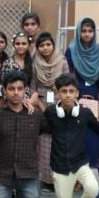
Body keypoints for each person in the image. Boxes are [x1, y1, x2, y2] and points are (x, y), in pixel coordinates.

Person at [44, 74, 99, 198]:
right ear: (58, 93)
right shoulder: (51, 112)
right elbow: (38, 129)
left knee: (93, 189)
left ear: (77, 93)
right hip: (60, 166)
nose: (68, 95)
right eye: (64, 91)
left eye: (71, 91)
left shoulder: (85, 113)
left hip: (80, 164)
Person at [0, 70, 48, 198]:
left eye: (20, 88)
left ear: (25, 90)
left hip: (28, 172)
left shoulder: (35, 115)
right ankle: (12, 197)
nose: (16, 92)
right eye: (11, 88)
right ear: (5, 90)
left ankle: (18, 195)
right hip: (2, 173)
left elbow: (46, 129)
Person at [33, 32, 69, 189]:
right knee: (43, 144)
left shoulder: (62, 62)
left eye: (48, 44)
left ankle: (59, 178)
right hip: (40, 106)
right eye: (42, 45)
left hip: (60, 105)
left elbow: (67, 86)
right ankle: (46, 180)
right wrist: (43, 109)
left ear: (53, 46)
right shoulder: (35, 63)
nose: (45, 48)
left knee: (59, 143)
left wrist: (59, 107)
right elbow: (33, 86)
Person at [65, 18, 99, 168]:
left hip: (94, 95)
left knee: (92, 131)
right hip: (76, 94)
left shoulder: (98, 50)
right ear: (78, 32)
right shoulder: (72, 50)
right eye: (84, 31)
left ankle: (92, 167)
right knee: (77, 131)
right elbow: (68, 76)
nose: (87, 34)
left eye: (90, 31)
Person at [0, 31, 35, 102]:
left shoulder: (33, 62)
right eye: (17, 44)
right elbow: (4, 85)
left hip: (31, 100)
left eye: (24, 44)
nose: (20, 46)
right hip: (13, 100)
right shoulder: (8, 63)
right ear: (13, 45)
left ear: (29, 45)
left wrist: (32, 98)